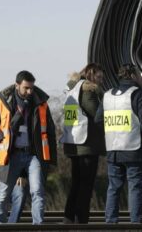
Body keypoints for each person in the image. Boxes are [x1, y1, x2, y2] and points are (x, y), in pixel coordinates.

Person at [96, 63, 142, 223]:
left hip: (113, 151)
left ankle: (110, 223)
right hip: (135, 150)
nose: (141, 78)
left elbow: (98, 119)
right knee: (135, 189)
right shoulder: (138, 94)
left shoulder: (107, 95)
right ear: (132, 75)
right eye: (139, 75)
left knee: (113, 189)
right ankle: (135, 224)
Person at [0, 70, 57, 224]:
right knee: (4, 194)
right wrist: (0, 140)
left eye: (32, 88)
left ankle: (37, 225)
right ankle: (0, 224)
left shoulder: (41, 103)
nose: (29, 91)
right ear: (17, 85)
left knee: (37, 191)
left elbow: (50, 131)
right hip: (11, 155)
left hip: (34, 155)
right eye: (26, 88)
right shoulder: (3, 101)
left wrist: (52, 159)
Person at [61, 63, 105, 224]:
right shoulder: (88, 91)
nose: (101, 81)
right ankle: (81, 221)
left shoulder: (72, 89)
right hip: (86, 145)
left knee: (76, 184)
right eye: (99, 77)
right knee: (86, 185)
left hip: (73, 142)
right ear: (91, 75)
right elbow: (97, 114)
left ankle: (69, 217)